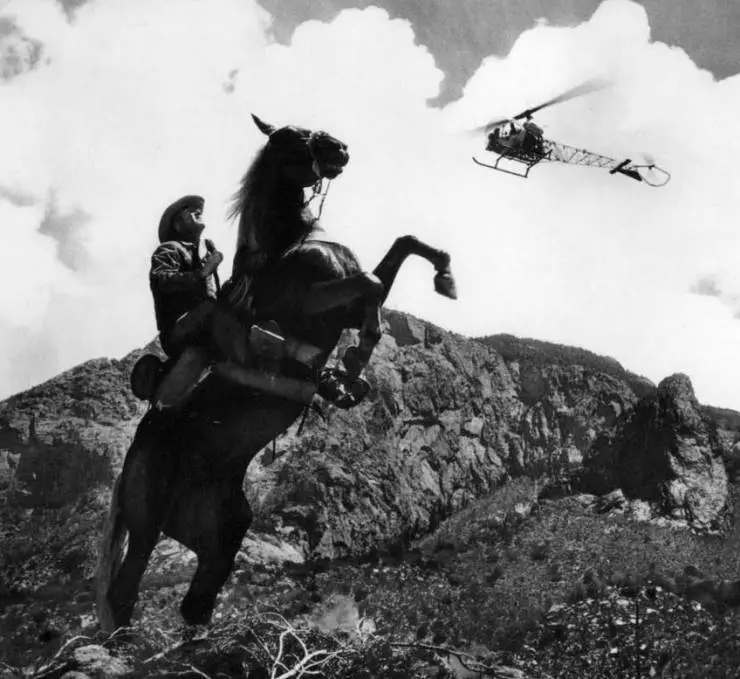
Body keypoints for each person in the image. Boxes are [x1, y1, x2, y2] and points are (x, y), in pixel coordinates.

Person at [150, 194, 224, 359]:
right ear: (177, 225)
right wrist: (201, 274)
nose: (198, 211)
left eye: (198, 210)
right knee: (217, 312)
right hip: (178, 331)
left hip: (207, 321)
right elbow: (163, 280)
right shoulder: (169, 248)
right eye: (189, 210)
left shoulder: (204, 251)